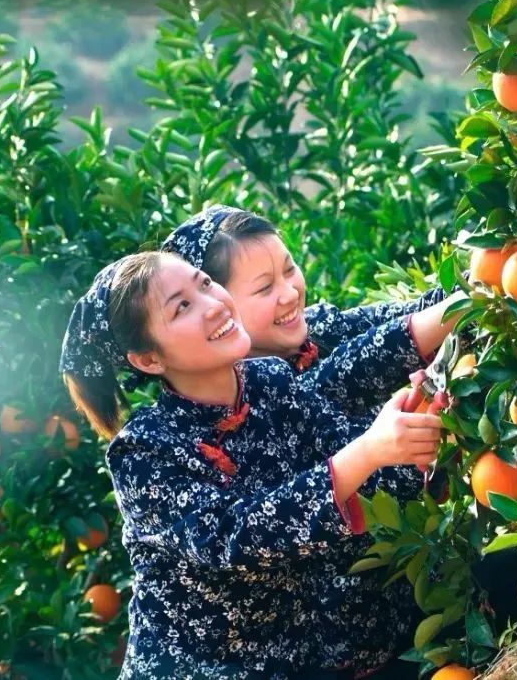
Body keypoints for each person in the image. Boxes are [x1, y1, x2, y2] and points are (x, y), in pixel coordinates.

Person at [60, 251, 455, 679]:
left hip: (299, 661)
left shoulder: (269, 381)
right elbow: (238, 536)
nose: (214, 304)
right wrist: (371, 449)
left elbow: (350, 449)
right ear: (149, 360)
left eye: (205, 284)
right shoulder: (144, 452)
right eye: (182, 307)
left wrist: (418, 421)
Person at [160, 206, 454, 417]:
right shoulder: (253, 396)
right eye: (264, 289)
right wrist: (463, 305)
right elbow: (357, 365)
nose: (289, 293)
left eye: (289, 270)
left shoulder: (317, 328)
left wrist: (480, 274)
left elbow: (410, 311)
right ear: (219, 302)